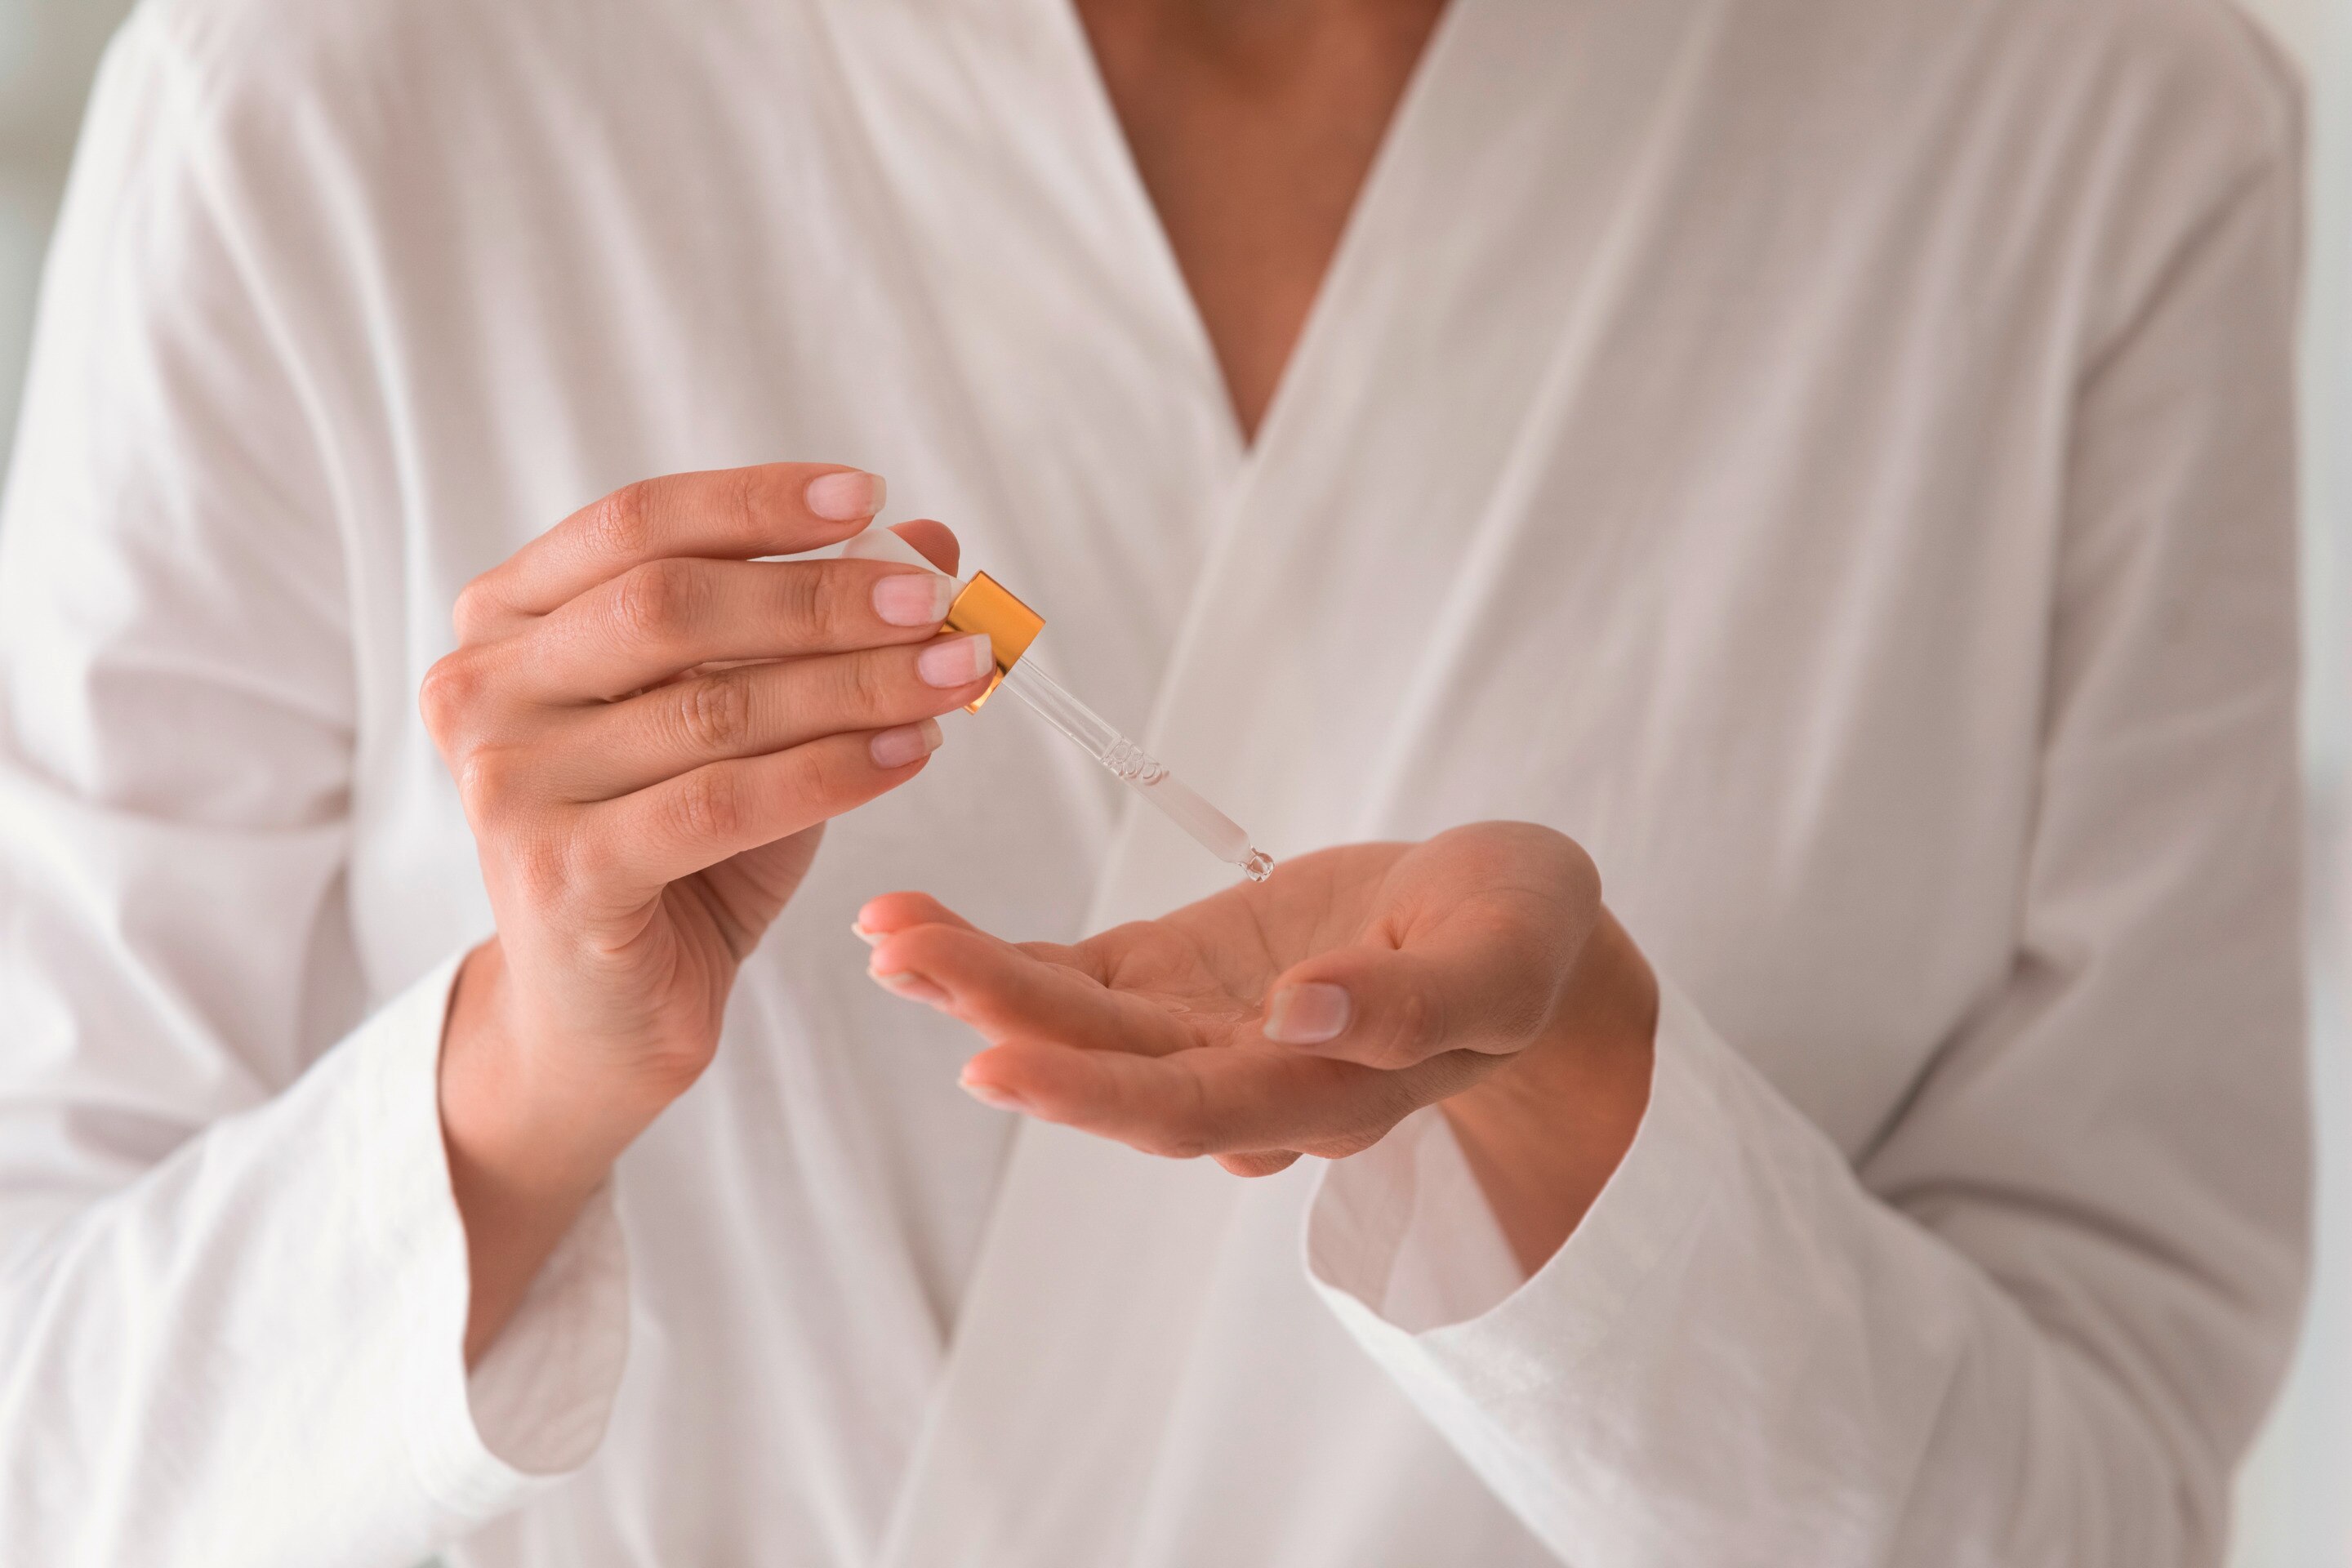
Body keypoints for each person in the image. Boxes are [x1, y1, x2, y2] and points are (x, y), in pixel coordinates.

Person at [0, 0, 2308, 1561]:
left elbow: (2103, 1495)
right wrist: (511, 1097)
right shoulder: (338, 87)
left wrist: (1590, 1118)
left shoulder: (2080, 118)